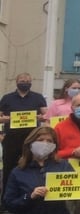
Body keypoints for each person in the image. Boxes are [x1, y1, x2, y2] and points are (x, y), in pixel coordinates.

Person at [1, 73, 48, 206]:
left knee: (30, 168)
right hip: (11, 140)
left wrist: (41, 117)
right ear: (16, 82)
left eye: (27, 80)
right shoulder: (7, 98)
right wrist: (4, 119)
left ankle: (31, 196)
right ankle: (6, 201)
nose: (25, 82)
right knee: (9, 170)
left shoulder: (38, 97)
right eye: (22, 80)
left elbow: (46, 115)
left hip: (32, 140)